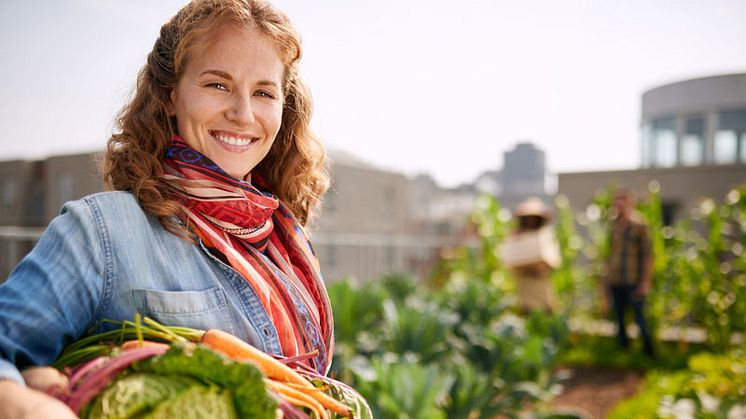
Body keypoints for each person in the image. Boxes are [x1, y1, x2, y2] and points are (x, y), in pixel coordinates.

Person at [0, 0, 333, 417]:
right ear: (171, 96)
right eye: (217, 84)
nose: (242, 113)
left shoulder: (286, 244)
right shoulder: (103, 231)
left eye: (263, 92)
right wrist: (26, 404)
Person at [603, 188, 655, 357]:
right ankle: (623, 352)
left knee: (640, 319)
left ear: (630, 202)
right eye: (616, 200)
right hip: (616, 279)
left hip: (633, 280)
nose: (619, 203)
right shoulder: (613, 226)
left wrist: (645, 281)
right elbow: (610, 254)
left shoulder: (640, 225)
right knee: (619, 319)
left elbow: (647, 255)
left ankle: (649, 352)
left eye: (623, 199)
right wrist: (605, 280)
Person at [507, 197, 559, 313]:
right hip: (524, 286)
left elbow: (554, 261)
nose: (531, 221)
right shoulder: (515, 237)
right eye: (528, 218)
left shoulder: (545, 236)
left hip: (540, 284)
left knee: (544, 313)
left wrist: (540, 266)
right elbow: (509, 260)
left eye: (534, 218)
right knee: (528, 314)